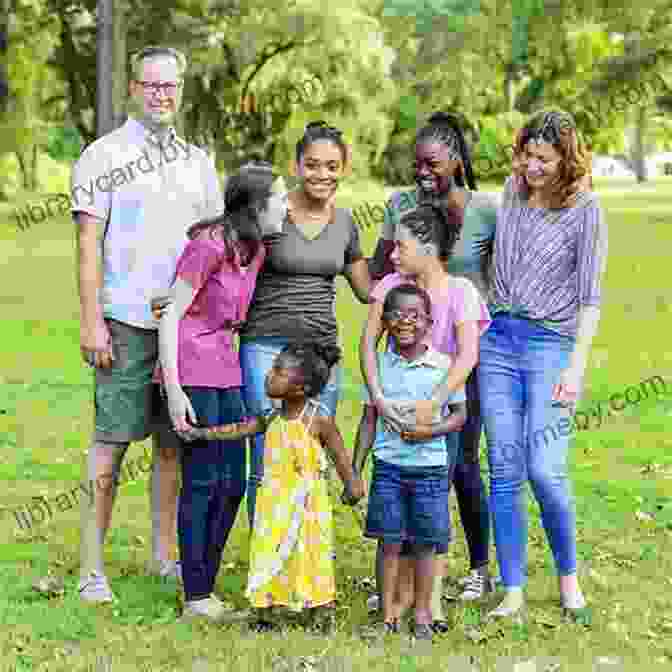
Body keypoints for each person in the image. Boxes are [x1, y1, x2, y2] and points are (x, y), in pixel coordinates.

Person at [73, 45, 224, 602]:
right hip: (126, 322)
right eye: (152, 85)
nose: (163, 95)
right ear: (133, 89)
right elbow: (88, 244)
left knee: (171, 446)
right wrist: (93, 321)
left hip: (181, 329)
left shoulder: (198, 162)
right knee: (111, 443)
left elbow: (213, 242)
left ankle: (165, 556)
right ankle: (92, 569)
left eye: (172, 86)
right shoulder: (103, 155)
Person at [479, 109, 607, 622]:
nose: (532, 167)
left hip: (551, 345)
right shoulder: (510, 191)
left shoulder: (586, 208)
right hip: (497, 343)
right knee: (505, 469)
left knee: (544, 470)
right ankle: (512, 589)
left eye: (544, 159)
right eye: (527, 155)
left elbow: (591, 297)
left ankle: (568, 578)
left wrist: (576, 368)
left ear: (565, 160)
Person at [368, 111, 499, 602]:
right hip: (408, 357)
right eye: (416, 164)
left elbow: (500, 275)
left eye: (433, 163)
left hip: (463, 356)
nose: (422, 172)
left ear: (457, 161)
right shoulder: (400, 204)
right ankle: (403, 579)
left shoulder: (485, 210)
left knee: (460, 459)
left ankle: (479, 568)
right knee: (403, 462)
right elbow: (381, 270)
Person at [153, 162, 281, 622]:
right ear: (256, 208)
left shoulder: (256, 251)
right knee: (205, 481)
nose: (285, 207)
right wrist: (173, 391)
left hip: (228, 369)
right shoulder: (205, 247)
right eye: (279, 200)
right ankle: (197, 596)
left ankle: (203, 585)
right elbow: (170, 315)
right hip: (192, 369)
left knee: (232, 483)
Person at [361, 202, 491, 631]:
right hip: (396, 402)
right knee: (396, 516)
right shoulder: (390, 287)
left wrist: (435, 401)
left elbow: (468, 353)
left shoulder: (461, 291)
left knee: (433, 511)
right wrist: (378, 397)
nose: (392, 254)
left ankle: (430, 605)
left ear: (429, 246)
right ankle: (394, 605)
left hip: (445, 400)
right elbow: (367, 345)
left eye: (401, 246)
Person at [239, 121, 371, 529]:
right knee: (267, 452)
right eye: (313, 165)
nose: (322, 175)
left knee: (311, 454)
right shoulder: (272, 213)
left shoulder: (346, 224)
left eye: (332, 166)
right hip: (266, 346)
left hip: (319, 354)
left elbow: (367, 289)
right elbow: (230, 259)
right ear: (297, 165)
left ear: (344, 168)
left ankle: (304, 557)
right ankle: (266, 555)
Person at [179, 343, 365, 631]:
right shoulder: (271, 417)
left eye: (278, 371)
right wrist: (203, 433)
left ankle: (318, 608)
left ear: (300, 388)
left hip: (306, 507)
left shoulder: (318, 419)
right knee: (268, 552)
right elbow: (239, 429)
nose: (269, 375)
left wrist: (352, 483)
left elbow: (339, 453)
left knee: (309, 552)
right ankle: (268, 608)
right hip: (273, 503)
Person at [352, 284, 467, 640]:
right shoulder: (379, 367)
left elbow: (460, 415)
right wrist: (355, 468)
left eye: (415, 315)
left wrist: (432, 432)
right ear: (384, 322)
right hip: (388, 468)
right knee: (388, 541)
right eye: (397, 314)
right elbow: (369, 419)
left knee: (425, 543)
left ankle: (421, 613)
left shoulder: (443, 366)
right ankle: (387, 615)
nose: (406, 322)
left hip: (430, 471)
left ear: (429, 322)